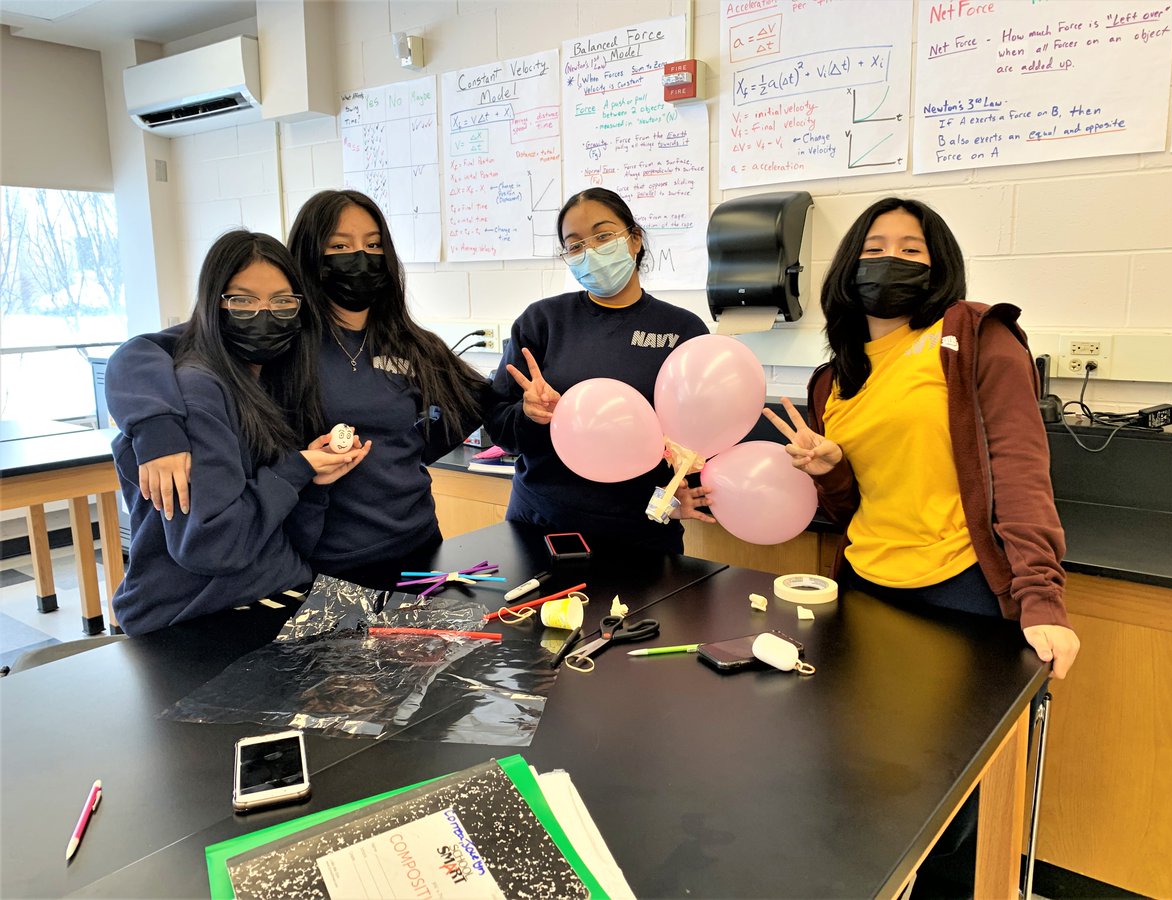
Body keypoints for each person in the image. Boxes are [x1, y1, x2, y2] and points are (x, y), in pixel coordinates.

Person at [764, 195, 1080, 897]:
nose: (892, 260)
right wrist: (830, 470)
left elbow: (1020, 469)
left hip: (960, 589)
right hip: (868, 587)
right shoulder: (834, 377)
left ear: (940, 267)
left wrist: (1041, 597)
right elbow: (853, 505)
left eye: (913, 249)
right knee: (866, 770)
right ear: (850, 265)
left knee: (951, 799)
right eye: (877, 247)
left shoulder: (975, 339)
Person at [105, 190, 489, 589]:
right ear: (311, 256)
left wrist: (409, 448)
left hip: (418, 545)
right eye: (340, 245)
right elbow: (149, 350)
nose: (360, 257)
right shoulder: (284, 330)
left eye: (373, 244)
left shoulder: (407, 340)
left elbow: (476, 400)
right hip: (320, 559)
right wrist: (157, 428)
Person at [109, 231, 369, 635]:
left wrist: (311, 480)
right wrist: (295, 470)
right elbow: (211, 545)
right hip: (199, 622)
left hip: (273, 594)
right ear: (216, 304)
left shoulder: (273, 383)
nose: (265, 315)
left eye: (282, 301)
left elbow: (284, 534)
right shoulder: (200, 390)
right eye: (243, 301)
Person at [486, 188, 715, 554]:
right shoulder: (541, 322)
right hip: (540, 528)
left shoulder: (682, 331)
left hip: (641, 535)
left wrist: (682, 495)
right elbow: (500, 428)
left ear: (635, 239)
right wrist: (530, 415)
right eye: (574, 245)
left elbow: (705, 439)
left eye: (603, 236)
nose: (590, 252)